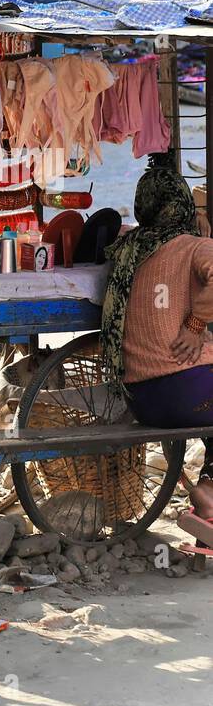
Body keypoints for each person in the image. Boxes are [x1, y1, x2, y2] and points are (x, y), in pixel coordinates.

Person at [103, 153, 213, 519]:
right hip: (182, 394)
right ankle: (210, 488)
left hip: (142, 401)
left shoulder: (127, 250)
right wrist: (196, 326)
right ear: (183, 203)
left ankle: (208, 492)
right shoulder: (192, 246)